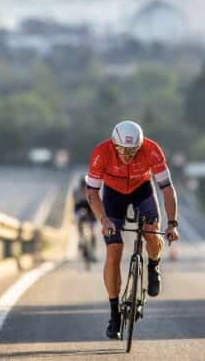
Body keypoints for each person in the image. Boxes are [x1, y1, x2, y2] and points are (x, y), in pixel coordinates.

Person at [84, 120, 180, 340]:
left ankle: (153, 265)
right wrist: (103, 220)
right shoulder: (101, 153)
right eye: (123, 151)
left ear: (140, 145)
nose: (128, 156)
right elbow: (91, 193)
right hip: (113, 195)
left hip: (141, 190)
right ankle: (114, 315)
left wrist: (172, 224)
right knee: (113, 250)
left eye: (133, 151)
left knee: (151, 233)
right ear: (114, 145)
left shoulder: (151, 150)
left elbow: (166, 188)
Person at [73, 177, 97, 263]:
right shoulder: (79, 191)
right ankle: (81, 240)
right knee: (81, 223)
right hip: (81, 208)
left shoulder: (89, 191)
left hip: (88, 210)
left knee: (92, 232)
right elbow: (76, 204)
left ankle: (91, 251)